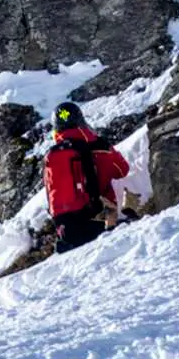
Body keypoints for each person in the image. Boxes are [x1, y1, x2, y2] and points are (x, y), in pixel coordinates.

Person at [43, 101, 129, 255]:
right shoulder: (98, 145)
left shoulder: (52, 155)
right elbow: (122, 170)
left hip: (64, 225)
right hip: (97, 216)